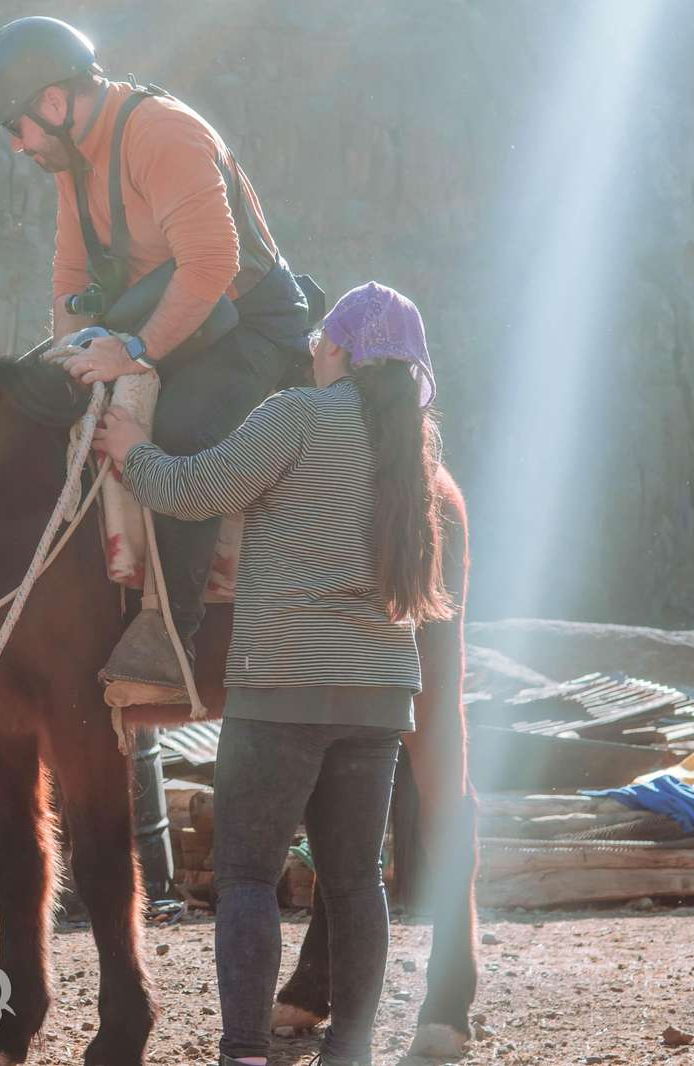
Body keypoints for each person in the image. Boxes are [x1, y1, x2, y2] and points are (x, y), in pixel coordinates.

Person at [93, 281, 453, 1066]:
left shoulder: (295, 414)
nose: (314, 351)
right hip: (382, 695)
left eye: (324, 342)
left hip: (281, 687)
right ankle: (350, 1050)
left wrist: (130, 452)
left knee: (249, 876)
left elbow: (194, 493)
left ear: (339, 352)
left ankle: (245, 1053)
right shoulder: (410, 442)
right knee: (357, 881)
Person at [0, 15, 311, 701]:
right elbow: (72, 283)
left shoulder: (162, 132)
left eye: (18, 127)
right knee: (43, 406)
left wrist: (132, 350)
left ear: (56, 103)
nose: (18, 146)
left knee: (181, 429)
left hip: (252, 323)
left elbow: (215, 263)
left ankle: (171, 635)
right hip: (180, 323)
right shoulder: (74, 161)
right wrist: (68, 357)